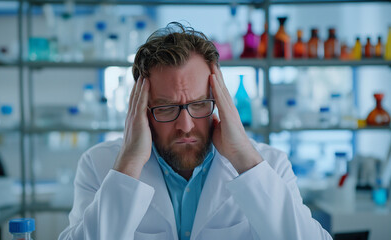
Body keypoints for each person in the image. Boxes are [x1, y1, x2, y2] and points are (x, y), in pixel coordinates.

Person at [59, 22, 332, 240]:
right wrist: (128, 166)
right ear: (142, 110)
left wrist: (244, 159)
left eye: (199, 104)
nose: (186, 126)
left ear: (219, 101)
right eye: (166, 108)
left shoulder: (268, 165)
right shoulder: (100, 165)